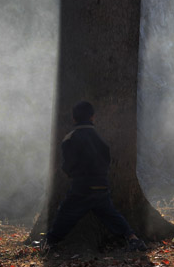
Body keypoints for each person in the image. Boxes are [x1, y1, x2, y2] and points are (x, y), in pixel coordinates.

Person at [45, 101, 147, 251]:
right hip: (101, 183)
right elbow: (107, 160)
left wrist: (71, 173)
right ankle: (133, 238)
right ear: (93, 117)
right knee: (110, 215)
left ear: (73, 119)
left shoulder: (70, 138)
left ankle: (49, 242)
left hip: (81, 185)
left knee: (65, 213)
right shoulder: (100, 138)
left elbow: (68, 164)